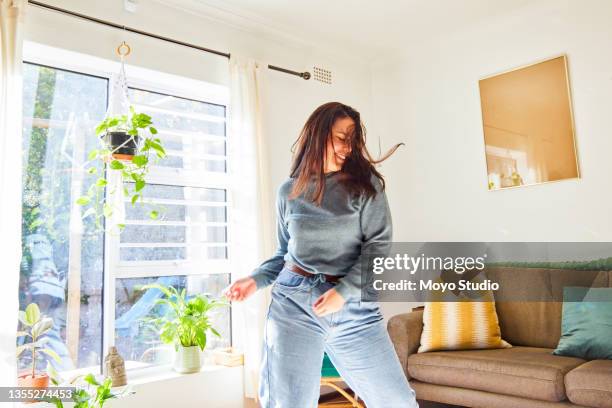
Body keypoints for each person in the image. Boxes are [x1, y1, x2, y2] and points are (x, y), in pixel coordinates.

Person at [223, 102, 419, 408]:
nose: (349, 147)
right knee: (288, 403)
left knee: (397, 401)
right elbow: (284, 253)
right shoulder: (289, 192)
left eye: (353, 139)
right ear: (318, 135)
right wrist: (256, 279)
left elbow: (377, 248)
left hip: (356, 311)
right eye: (342, 137)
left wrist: (345, 291)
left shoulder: (367, 187)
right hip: (294, 306)